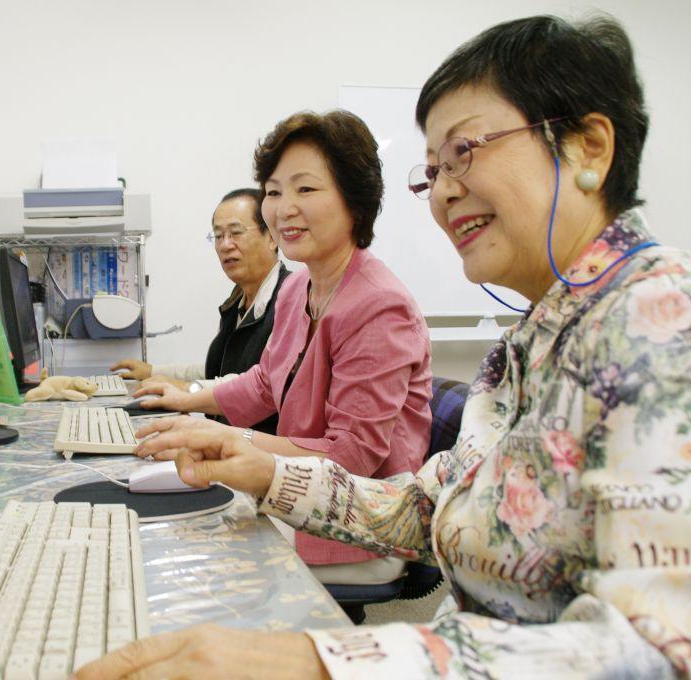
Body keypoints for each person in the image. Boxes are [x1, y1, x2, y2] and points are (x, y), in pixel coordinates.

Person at [76, 15, 691, 679]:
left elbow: (656, 652)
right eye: (432, 171)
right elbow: (426, 507)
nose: (446, 190)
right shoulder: (534, 339)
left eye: (466, 152)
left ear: (588, 149)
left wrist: (329, 661)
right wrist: (260, 467)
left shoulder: (660, 327)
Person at [132, 110, 433, 586]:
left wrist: (236, 441)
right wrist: (187, 401)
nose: (283, 208)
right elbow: (266, 385)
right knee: (167, 531)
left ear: (355, 198)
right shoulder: (299, 289)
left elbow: (352, 456)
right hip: (294, 496)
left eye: (305, 189)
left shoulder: (380, 306)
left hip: (356, 522)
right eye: (274, 192)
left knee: (184, 560)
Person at [110, 189, 291, 433]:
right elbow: (215, 371)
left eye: (236, 233)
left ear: (272, 237)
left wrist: (187, 390)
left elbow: (259, 384)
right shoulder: (236, 303)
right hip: (228, 438)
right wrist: (152, 371)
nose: (225, 245)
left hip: (262, 451)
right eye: (217, 236)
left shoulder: (290, 298)